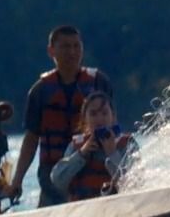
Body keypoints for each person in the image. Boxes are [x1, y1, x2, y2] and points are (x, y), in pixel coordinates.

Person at [7, 24, 115, 205]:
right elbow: (31, 139)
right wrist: (17, 181)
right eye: (65, 46)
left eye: (76, 46)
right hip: (53, 175)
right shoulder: (40, 91)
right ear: (51, 51)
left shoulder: (98, 82)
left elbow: (113, 124)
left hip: (92, 167)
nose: (72, 52)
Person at [47, 91, 134, 203]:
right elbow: (57, 180)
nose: (99, 119)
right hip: (83, 210)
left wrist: (112, 154)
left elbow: (134, 183)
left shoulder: (126, 144)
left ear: (113, 116)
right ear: (85, 119)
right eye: (93, 114)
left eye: (104, 113)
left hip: (117, 207)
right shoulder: (76, 146)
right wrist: (82, 154)